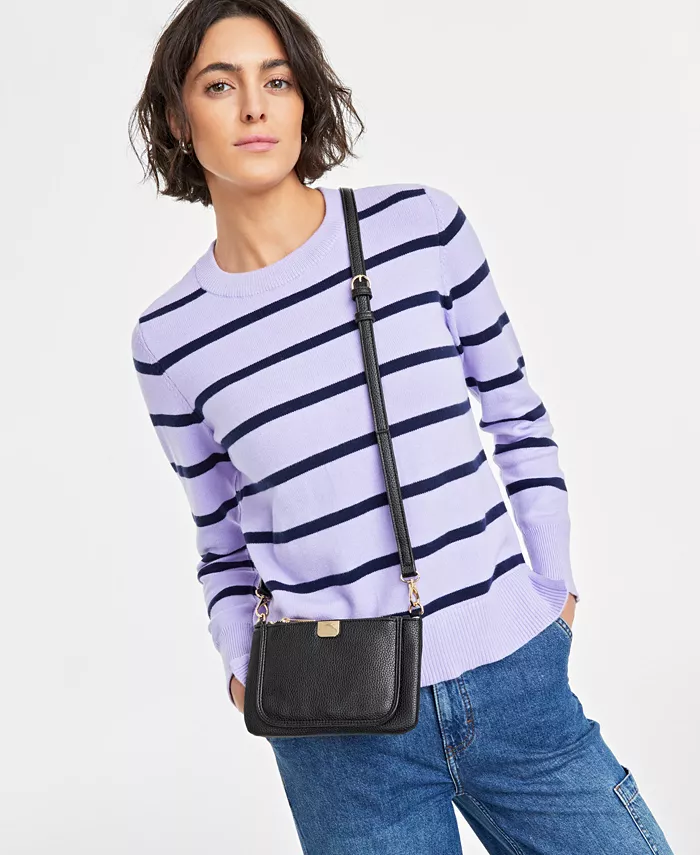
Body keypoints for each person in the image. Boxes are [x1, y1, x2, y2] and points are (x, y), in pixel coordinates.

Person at [128, 1, 676, 852]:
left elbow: (515, 412)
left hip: (514, 677)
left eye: (278, 80)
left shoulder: (419, 227)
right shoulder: (171, 339)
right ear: (176, 115)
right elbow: (220, 534)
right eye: (220, 85)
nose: (255, 107)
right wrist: (244, 666)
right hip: (336, 724)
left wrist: (552, 588)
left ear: (305, 98)